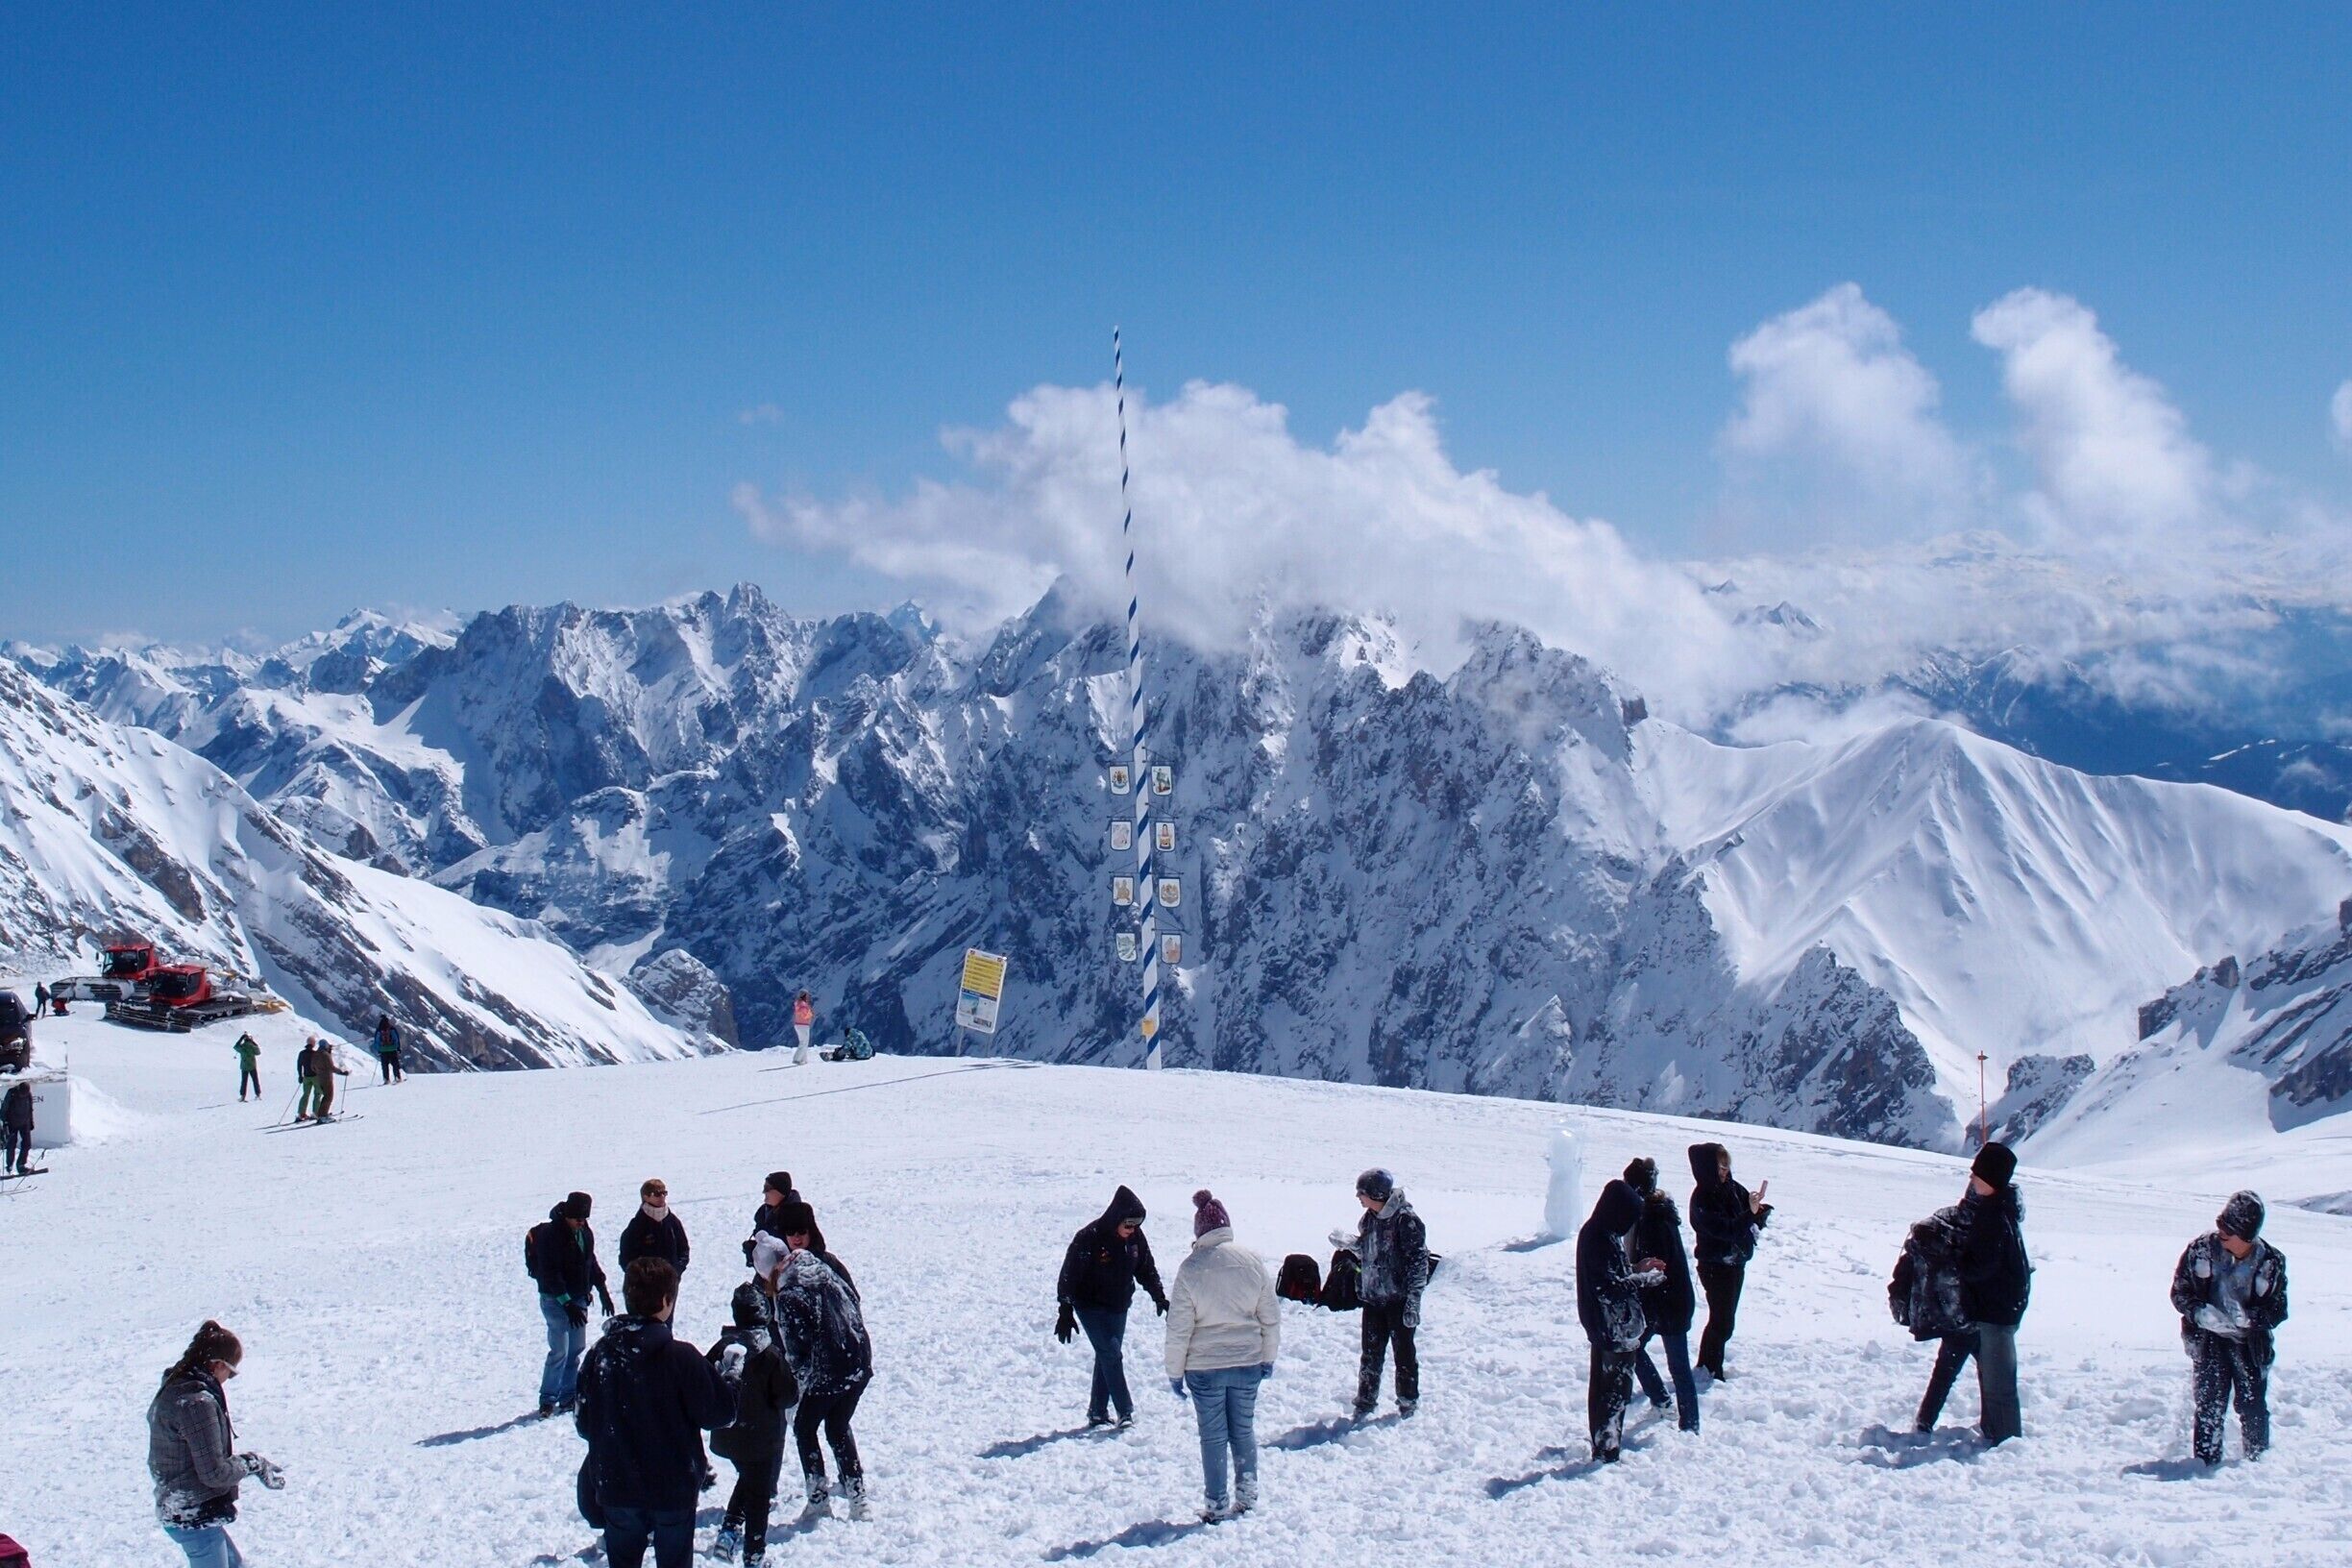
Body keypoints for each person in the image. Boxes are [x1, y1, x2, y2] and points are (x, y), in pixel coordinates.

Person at [576, 1258, 735, 1568]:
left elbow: (584, 1423)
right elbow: (720, 1414)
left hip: (616, 1485)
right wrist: (731, 1379)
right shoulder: (681, 1356)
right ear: (666, 1301)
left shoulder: (600, 1355)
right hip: (671, 1489)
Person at [1164, 1189, 1280, 1521]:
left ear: (1199, 1231)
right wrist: (1267, 1357)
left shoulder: (1191, 1267)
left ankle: (1216, 1503)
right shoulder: (1252, 1260)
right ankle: (1248, 1494)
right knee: (1243, 1430)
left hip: (1205, 1369)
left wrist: (1174, 1371)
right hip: (1247, 1363)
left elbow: (1179, 1328)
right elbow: (1269, 1316)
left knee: (1213, 1436)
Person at [147, 1320, 283, 1567]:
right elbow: (214, 1473)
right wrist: (253, 1464)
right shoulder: (196, 1404)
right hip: (191, 1514)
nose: (227, 1379)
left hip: (183, 1508)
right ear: (218, 1365)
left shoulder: (175, 1388)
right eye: (230, 1373)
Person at [2171, 1189, 2289, 1466]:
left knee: (2253, 1406)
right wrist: (2199, 1313)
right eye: (2221, 1224)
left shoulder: (2270, 1262)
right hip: (2208, 1341)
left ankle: (2257, 1461)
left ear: (2246, 1236)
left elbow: (2278, 1309)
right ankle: (2205, 1463)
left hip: (2249, 1345)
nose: (2221, 1232)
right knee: (2209, 1404)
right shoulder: (2200, 1250)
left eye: (2230, 1229)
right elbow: (2179, 1291)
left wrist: (2250, 1318)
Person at [772, 1201, 873, 1520]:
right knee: (838, 1426)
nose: (797, 1238)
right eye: (790, 1232)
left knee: (805, 1428)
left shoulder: (806, 1274)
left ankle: (819, 1499)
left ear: (812, 1230)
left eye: (802, 1231)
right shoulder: (818, 1267)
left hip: (828, 1369)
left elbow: (794, 1344)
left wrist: (796, 1383)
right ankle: (857, 1496)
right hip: (855, 1362)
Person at [712, 1237, 799, 1566]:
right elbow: (787, 1395)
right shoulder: (769, 1355)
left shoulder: (723, 1347)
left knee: (748, 1478)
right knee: (759, 1493)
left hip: (728, 1437)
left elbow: (706, 1379)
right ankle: (754, 1553)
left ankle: (729, 1531)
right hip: (762, 1439)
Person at [1056, 1185, 1169, 1429]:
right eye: (1128, 1225)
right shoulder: (1090, 1237)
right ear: (1116, 1217)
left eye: (1136, 1225)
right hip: (1090, 1306)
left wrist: (1158, 1296)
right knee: (1111, 1354)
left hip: (1119, 1305)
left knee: (1107, 1356)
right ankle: (1125, 1411)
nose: (1132, 1230)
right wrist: (1065, 1308)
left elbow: (1145, 1268)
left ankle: (1097, 1412)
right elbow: (1069, 1274)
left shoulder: (1135, 1239)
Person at [1577, 1179, 1662, 1462]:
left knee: (1605, 1389)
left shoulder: (1600, 1232)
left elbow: (1613, 1275)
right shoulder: (1600, 1237)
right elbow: (1609, 1286)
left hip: (1607, 1327)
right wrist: (1644, 1279)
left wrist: (1636, 1267)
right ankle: (1607, 1448)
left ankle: (1604, 1444)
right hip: (1613, 1327)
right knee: (1613, 1392)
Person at [1955, 1141, 2030, 1444]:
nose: (1972, 1180)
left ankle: (2006, 1439)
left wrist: (1958, 1264)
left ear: (1991, 1180)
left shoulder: (1993, 1218)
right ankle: (1995, 1430)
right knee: (1993, 1378)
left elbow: (1982, 1265)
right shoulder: (1998, 1210)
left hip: (1996, 1310)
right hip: (1999, 1308)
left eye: (1977, 1176)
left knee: (1999, 1383)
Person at [1623, 1158, 1699, 1433]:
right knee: (1676, 1366)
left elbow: (1657, 1267)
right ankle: (1684, 1420)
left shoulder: (1651, 1220)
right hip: (1672, 1302)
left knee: (1641, 1350)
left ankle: (1679, 1416)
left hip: (1667, 1303)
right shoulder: (1657, 1214)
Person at [1686, 1141, 1771, 1382]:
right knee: (1721, 1321)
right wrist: (1750, 1214)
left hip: (1735, 1263)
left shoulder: (1733, 1188)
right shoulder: (1702, 1199)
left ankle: (1710, 1366)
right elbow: (1727, 1229)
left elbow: (1747, 1215)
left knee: (1725, 1321)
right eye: (1720, 1168)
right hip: (1715, 1266)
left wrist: (1759, 1210)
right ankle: (1709, 1368)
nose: (1724, 1172)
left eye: (1726, 1167)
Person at [1351, 1167, 1430, 1421]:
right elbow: (1369, 1249)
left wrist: (1413, 1301)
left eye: (1362, 1193)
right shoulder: (1369, 1219)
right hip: (1373, 1299)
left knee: (1404, 1353)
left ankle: (1408, 1401)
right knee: (1370, 1354)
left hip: (1398, 1300)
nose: (1359, 1198)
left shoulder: (1406, 1221)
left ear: (1376, 1194)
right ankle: (1365, 1401)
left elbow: (1419, 1262)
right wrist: (1352, 1245)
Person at [527, 1191, 616, 1416]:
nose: (581, 1222)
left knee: (576, 1349)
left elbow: (590, 1262)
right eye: (577, 1217)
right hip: (555, 1300)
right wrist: (566, 1303)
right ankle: (548, 1399)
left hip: (578, 1298)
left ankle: (568, 1395)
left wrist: (602, 1289)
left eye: (584, 1218)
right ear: (567, 1213)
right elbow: (550, 1273)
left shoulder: (584, 1232)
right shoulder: (550, 1235)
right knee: (560, 1350)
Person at [1898, 1200, 1977, 1433]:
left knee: (1944, 1373)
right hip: (1972, 1315)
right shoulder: (1982, 1224)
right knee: (1990, 1374)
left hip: (1950, 1314)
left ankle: (1924, 1421)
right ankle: (1994, 1425)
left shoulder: (1947, 1225)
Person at [621, 1179, 692, 1277]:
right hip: (645, 1286)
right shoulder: (637, 1225)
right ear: (646, 1197)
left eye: (664, 1193)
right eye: (657, 1194)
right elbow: (626, 1258)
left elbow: (683, 1250)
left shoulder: (673, 1221)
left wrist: (676, 1271)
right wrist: (641, 1277)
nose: (662, 1196)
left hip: (670, 1283)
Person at [742, 1172, 806, 1265]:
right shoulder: (763, 1213)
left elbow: (798, 1251)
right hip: (770, 1273)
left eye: (767, 1188)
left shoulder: (797, 1216)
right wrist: (754, 1251)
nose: (764, 1192)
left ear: (781, 1191)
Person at [2, 1078, 35, 1176]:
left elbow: (30, 1109)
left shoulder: (28, 1094)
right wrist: (5, 1123)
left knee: (27, 1144)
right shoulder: (11, 1093)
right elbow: (4, 1108)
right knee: (11, 1145)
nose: (23, 1095)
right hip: (12, 1123)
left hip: (25, 1123)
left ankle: (21, 1165)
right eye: (22, 1094)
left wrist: (31, 1122)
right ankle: (9, 1166)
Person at [293, 1038, 323, 1121]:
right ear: (313, 1044)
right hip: (315, 1077)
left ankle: (301, 1113)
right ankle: (315, 1113)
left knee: (305, 1094)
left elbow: (299, 1065)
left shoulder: (302, 1053)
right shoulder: (315, 1053)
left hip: (306, 1077)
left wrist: (300, 1076)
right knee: (317, 1094)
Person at [373, 1014, 404, 1084]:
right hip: (392, 1049)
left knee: (384, 1065)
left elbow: (377, 1041)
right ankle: (397, 1077)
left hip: (383, 1050)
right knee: (395, 1064)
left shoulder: (379, 1030)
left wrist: (379, 1050)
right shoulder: (391, 1028)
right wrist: (398, 1048)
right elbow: (396, 1039)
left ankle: (386, 1079)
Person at [233, 1034, 261, 1102]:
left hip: (244, 1066)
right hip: (252, 1066)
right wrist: (253, 1042)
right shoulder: (252, 1047)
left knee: (244, 1082)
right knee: (255, 1081)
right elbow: (258, 1052)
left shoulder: (242, 1047)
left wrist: (241, 1038)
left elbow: (235, 1046)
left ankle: (242, 1096)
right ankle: (258, 1095)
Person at [792, 992, 816, 1066]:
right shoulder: (803, 1005)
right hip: (803, 1025)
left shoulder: (798, 1003)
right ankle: (797, 1059)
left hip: (798, 1024)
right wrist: (811, 1013)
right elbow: (805, 1015)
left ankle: (803, 1059)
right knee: (804, 1042)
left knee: (803, 1042)